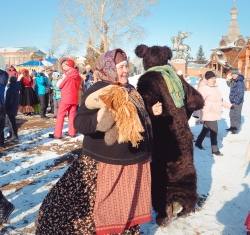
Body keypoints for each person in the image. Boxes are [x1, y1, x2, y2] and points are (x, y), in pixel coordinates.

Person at [36, 49, 154, 234]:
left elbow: (138, 121)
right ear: (109, 68)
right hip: (105, 165)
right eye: (120, 67)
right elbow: (79, 122)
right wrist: (97, 120)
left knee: (126, 210)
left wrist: (150, 112)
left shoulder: (130, 90)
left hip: (133, 163)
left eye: (126, 66)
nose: (125, 71)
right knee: (94, 214)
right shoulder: (99, 89)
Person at [135, 44, 204, 227]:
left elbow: (144, 106)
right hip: (183, 135)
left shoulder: (147, 79)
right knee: (183, 168)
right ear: (166, 58)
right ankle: (183, 202)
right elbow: (196, 100)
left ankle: (164, 208)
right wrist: (182, 117)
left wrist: (153, 112)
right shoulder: (175, 77)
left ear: (145, 59)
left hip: (162, 135)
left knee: (162, 171)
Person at [195, 71, 232, 156]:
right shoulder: (203, 88)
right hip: (208, 113)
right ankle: (215, 150)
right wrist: (196, 113)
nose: (214, 79)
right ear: (207, 79)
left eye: (215, 78)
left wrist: (229, 106)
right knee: (214, 131)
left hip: (214, 113)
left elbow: (220, 100)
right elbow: (198, 101)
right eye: (212, 78)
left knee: (205, 129)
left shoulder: (215, 87)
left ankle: (198, 143)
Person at [48, 59, 81, 138]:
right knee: (72, 115)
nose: (63, 67)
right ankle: (72, 132)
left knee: (60, 115)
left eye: (64, 65)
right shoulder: (78, 75)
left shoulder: (66, 75)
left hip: (66, 97)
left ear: (68, 66)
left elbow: (59, 85)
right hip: (74, 97)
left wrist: (59, 79)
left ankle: (57, 134)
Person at [226, 69, 245, 134]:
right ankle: (232, 127)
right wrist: (227, 80)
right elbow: (230, 86)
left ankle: (236, 129)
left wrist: (237, 102)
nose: (233, 75)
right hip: (233, 101)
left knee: (237, 115)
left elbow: (241, 93)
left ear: (237, 74)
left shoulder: (240, 81)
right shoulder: (233, 81)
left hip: (238, 102)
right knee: (231, 115)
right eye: (232, 74)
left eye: (234, 74)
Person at [5, 76, 22, 142]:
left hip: (10, 107)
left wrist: (5, 107)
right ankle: (12, 134)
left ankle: (14, 136)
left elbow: (9, 100)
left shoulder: (11, 89)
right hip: (14, 106)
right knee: (9, 121)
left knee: (11, 122)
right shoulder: (15, 87)